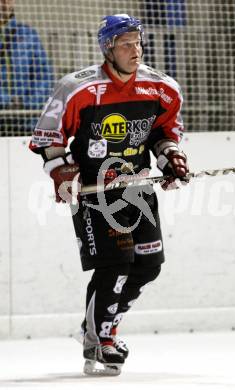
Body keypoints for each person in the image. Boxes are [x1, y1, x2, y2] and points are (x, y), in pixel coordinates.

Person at [29, 14, 189, 376]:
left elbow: (165, 133)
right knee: (114, 264)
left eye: (138, 42)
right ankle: (99, 339)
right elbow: (47, 139)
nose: (135, 50)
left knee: (149, 265)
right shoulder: (78, 88)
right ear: (108, 48)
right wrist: (62, 171)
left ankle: (100, 327)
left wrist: (172, 158)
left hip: (136, 187)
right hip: (95, 191)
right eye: (125, 43)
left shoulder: (161, 88)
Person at [0, 0, 54, 134]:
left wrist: (27, 104)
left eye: (7, 0)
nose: (4, 3)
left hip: (26, 121)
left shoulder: (28, 35)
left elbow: (44, 77)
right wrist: (6, 102)